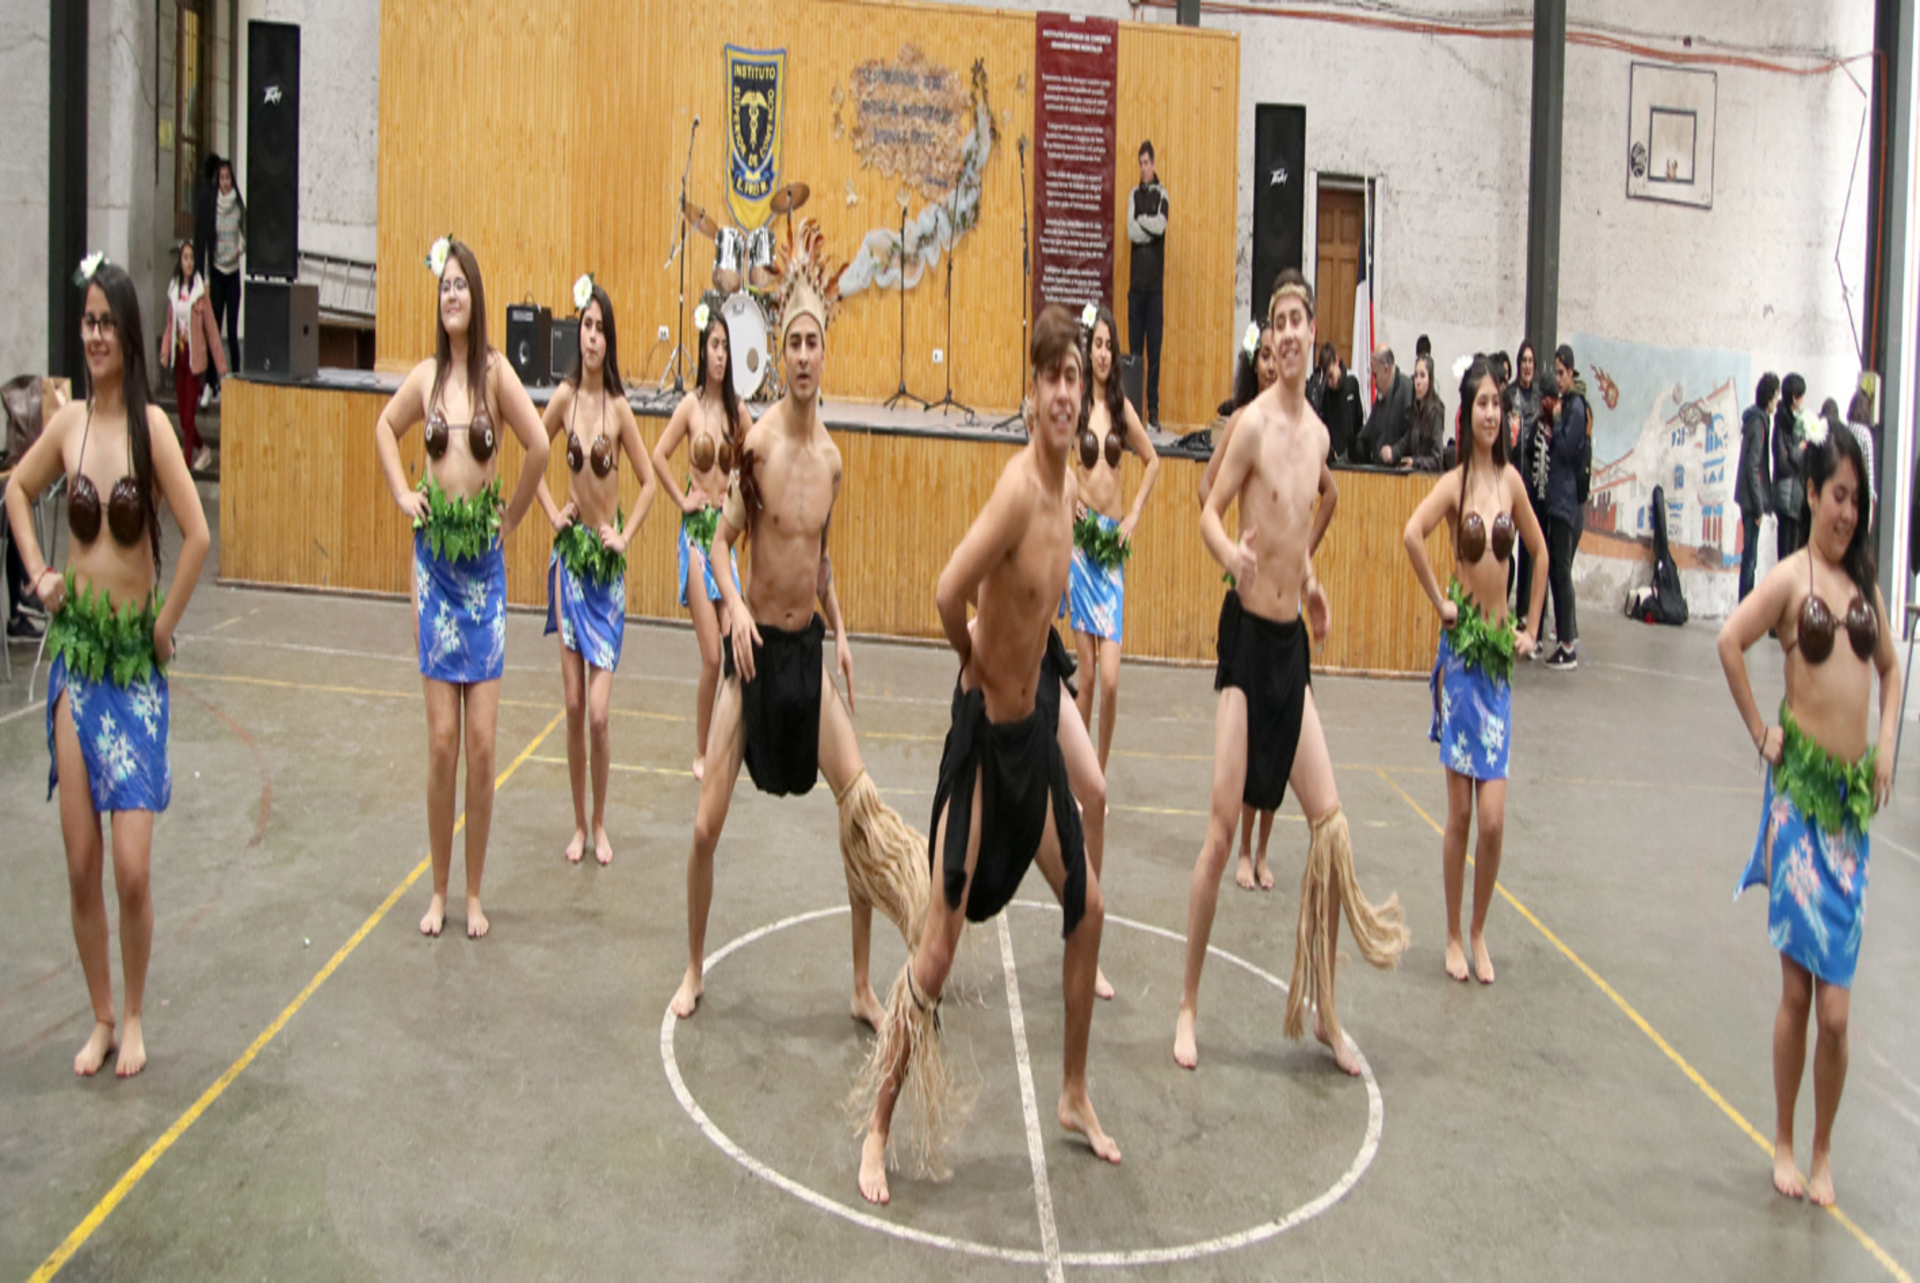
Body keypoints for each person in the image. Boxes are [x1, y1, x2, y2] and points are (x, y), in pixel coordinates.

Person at [854, 303, 1120, 1206]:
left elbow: (1039, 614)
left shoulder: (1071, 489)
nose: (1063, 392)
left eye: (1073, 376)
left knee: (1087, 907)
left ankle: (1073, 1091)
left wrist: (1042, 677)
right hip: (981, 748)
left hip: (1032, 739)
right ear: (1030, 392)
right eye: (1051, 377)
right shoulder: (1017, 491)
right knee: (936, 951)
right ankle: (877, 1126)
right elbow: (946, 590)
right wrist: (970, 655)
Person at [672, 220, 928, 1025]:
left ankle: (860, 985)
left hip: (807, 653)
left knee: (860, 813)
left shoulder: (834, 461)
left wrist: (842, 631)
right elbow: (720, 544)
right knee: (704, 827)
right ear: (779, 354)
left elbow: (819, 561)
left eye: (815, 342)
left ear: (826, 351)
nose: (806, 356)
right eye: (795, 343)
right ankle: (693, 967)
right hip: (753, 655)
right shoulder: (758, 447)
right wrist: (733, 606)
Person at [1174, 269, 1408, 1074]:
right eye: (1278, 321)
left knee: (1331, 830)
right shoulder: (1249, 425)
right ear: (1270, 343)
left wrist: (1310, 579)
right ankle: (1188, 1003)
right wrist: (1227, 551)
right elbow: (1207, 508)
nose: (1289, 332)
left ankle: (1326, 1012)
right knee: (1220, 834)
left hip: (1292, 650)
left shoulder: (1319, 438)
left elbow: (1306, 517)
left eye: (1299, 318)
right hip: (1245, 644)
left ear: (1313, 331)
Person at [5, 256, 210, 1077]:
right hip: (75, 668)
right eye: (86, 322)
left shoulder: (151, 430)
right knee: (82, 862)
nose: (93, 336)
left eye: (105, 323)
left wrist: (162, 627)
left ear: (127, 333)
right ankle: (99, 1016)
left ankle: (134, 1013)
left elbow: (196, 535)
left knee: (130, 869)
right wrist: (38, 571)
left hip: (132, 674)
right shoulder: (68, 425)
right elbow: (16, 492)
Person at [1717, 421, 1895, 1208]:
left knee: (1838, 1013)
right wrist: (1763, 730)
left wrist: (1885, 747)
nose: (1847, 512)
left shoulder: (1865, 589)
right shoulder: (1792, 579)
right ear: (1813, 495)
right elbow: (1730, 640)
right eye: (1837, 496)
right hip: (1796, 813)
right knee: (1797, 995)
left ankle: (1824, 1149)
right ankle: (1786, 1141)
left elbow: (1891, 667)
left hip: (1847, 825)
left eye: (1857, 500)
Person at [373, 238, 551, 939]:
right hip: (435, 571)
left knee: (481, 743)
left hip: (483, 576)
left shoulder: (495, 374)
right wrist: (402, 493)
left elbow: (538, 445)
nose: (451, 295)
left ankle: (474, 892)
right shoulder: (424, 378)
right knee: (442, 741)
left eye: (460, 285)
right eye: (444, 286)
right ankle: (439, 889)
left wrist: (512, 517)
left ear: (476, 296)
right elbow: (384, 428)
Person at [1402, 358, 1549, 983]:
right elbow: (1412, 533)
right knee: (1461, 815)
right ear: (1468, 414)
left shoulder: (1511, 483)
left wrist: (1530, 629)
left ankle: (1481, 928)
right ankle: (1452, 934)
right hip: (1460, 664)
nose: (1492, 413)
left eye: (1498, 403)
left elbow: (1540, 553)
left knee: (1493, 819)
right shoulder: (1454, 484)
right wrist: (1441, 601)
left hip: (1497, 666)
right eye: (1483, 403)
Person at [534, 278, 657, 866]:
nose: (592, 337)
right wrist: (551, 513)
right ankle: (579, 824)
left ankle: (602, 820)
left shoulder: (619, 410)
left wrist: (624, 537)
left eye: (601, 328)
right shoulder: (563, 400)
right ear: (576, 334)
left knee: (601, 714)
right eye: (586, 325)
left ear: (609, 340)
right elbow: (532, 454)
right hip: (569, 565)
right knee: (574, 706)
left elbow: (650, 482)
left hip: (605, 575)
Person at [649, 302, 750, 779]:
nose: (721, 355)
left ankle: (728, 744)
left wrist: (741, 502)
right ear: (703, 351)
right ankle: (702, 749)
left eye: (726, 347)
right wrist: (681, 499)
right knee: (711, 657)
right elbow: (658, 455)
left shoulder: (737, 411)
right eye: (714, 345)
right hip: (695, 538)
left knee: (735, 656)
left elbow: (756, 460)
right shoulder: (689, 407)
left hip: (723, 541)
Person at [1202, 320, 1281, 891]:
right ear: (1255, 365)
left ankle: (1261, 848)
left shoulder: (1298, 427)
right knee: (1246, 735)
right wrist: (1232, 550)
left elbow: (1326, 494)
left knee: (1277, 734)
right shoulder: (1242, 423)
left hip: (1284, 602)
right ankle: (1239, 848)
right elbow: (1206, 490)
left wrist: (1303, 558)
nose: (1273, 366)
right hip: (1246, 603)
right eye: (1265, 357)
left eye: (1280, 357)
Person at [1066, 304, 1161, 777]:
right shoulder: (1077, 405)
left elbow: (1153, 461)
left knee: (1110, 680)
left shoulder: (1122, 410)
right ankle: (1078, 775)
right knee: (1085, 676)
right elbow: (1045, 452)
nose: (1103, 353)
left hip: (1111, 549)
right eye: (1097, 345)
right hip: (1080, 549)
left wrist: (1134, 515)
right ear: (1088, 351)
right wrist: (1068, 493)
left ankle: (1098, 774)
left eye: (1109, 346)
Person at [1541, 345, 1590, 671]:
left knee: (1561, 569)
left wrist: (1556, 423)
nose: (1558, 379)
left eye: (1561, 373)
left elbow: (1567, 450)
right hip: (1558, 496)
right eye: (1556, 373)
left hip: (1566, 499)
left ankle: (1567, 643)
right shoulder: (1569, 404)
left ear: (1571, 372)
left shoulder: (1575, 407)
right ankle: (1564, 635)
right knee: (1557, 569)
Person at [160, 240, 226, 475]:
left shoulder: (200, 293)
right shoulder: (174, 290)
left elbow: (212, 330)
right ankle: (203, 449)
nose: (189, 262)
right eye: (185, 258)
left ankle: (185, 465)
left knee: (189, 415)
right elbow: (170, 326)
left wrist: (221, 365)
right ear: (180, 261)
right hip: (179, 355)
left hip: (195, 358)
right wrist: (165, 351)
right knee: (182, 416)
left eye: (191, 258)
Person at [1126, 141, 1169, 428]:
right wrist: (1146, 225)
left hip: (1154, 291)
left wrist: (1144, 223)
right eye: (1140, 163)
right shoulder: (1134, 195)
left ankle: (1153, 411)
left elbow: (1161, 226)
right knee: (1134, 354)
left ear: (1153, 164)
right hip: (1136, 289)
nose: (1143, 168)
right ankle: (1133, 413)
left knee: (1154, 352)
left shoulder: (1162, 195)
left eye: (1146, 163)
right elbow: (1132, 232)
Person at [1512, 342, 1551, 637]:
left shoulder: (1539, 399)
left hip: (1532, 482)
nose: (1527, 365)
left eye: (1530, 361)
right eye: (1523, 360)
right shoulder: (1509, 395)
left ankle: (1525, 610)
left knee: (1529, 549)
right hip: (1513, 474)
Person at [1736, 374, 1779, 602]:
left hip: (1747, 497)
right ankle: (1746, 607)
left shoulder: (1755, 420)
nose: (1777, 401)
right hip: (1752, 500)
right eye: (1776, 396)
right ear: (1769, 397)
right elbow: (1754, 467)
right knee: (1750, 559)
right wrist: (1759, 506)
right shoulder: (1759, 424)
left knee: (1749, 557)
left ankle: (1744, 606)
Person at [207, 158, 246, 399]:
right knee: (215, 328)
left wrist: (239, 249)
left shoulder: (238, 206)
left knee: (232, 329)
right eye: (221, 179)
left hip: (233, 273)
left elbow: (246, 233)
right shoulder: (213, 207)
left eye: (228, 178)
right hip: (217, 271)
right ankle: (212, 381)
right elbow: (207, 237)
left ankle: (236, 377)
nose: (225, 183)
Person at [1771, 373, 1809, 560]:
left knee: (1794, 554)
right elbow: (1782, 464)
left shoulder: (1801, 423)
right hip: (1785, 497)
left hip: (1797, 496)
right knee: (1785, 553)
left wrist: (1792, 453)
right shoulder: (1781, 424)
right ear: (1794, 398)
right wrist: (1798, 451)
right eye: (1801, 396)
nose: (1803, 401)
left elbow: (1805, 459)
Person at [1391, 353, 1446, 472]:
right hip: (1416, 474)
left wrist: (1415, 462)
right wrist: (1393, 452)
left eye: (1422, 376)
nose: (1418, 382)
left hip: (1429, 477)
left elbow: (1437, 459)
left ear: (1430, 380)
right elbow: (1408, 440)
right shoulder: (1415, 407)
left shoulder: (1436, 410)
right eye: (1416, 376)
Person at [1360, 347, 1412, 466]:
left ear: (1386, 370)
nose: (1374, 382)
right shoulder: (1380, 399)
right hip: (1380, 468)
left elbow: (1412, 433)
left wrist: (1395, 452)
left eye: (1375, 375)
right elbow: (1367, 432)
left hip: (1400, 470)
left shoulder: (1407, 390)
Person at [1316, 343, 1363, 465]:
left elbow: (1359, 422)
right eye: (1327, 378)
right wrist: (1330, 450)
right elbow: (1323, 426)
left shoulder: (1352, 385)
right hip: (1333, 459)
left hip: (1352, 459)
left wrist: (1355, 451)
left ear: (1337, 361)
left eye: (1331, 375)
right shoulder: (1325, 393)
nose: (1330, 382)